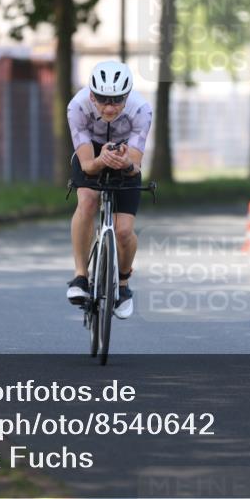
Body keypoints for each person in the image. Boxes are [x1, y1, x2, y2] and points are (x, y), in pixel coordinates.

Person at [65, 61, 152, 319]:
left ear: (127, 96)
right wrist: (99, 161)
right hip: (91, 153)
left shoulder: (141, 110)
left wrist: (125, 163)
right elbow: (88, 165)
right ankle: (81, 276)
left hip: (125, 155)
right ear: (91, 95)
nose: (109, 107)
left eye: (116, 100)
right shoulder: (77, 107)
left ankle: (123, 285)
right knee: (88, 201)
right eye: (102, 100)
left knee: (124, 231)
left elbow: (135, 165)